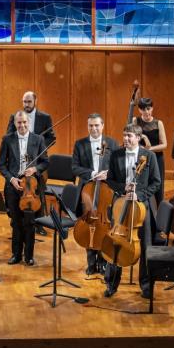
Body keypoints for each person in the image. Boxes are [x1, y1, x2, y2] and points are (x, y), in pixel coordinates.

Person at [103, 123, 161, 299]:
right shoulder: (116, 155)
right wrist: (123, 188)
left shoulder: (149, 156)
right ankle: (111, 284)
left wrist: (139, 195)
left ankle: (146, 285)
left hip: (141, 207)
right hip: (120, 205)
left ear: (138, 137)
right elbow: (110, 180)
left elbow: (156, 182)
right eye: (124, 135)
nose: (126, 139)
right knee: (115, 243)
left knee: (145, 246)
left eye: (129, 136)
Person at [0, 110, 48, 266]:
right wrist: (11, 179)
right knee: (16, 221)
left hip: (31, 187)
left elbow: (45, 162)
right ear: (15, 123)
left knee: (30, 222)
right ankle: (16, 254)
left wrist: (34, 170)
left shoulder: (38, 139)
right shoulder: (7, 139)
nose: (22, 125)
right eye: (19, 122)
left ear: (29, 123)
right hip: (13, 186)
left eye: (25, 122)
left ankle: (29, 256)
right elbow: (1, 164)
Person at [71, 113, 119, 275]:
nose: (94, 128)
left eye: (97, 125)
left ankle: (103, 262)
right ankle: (91, 263)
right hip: (88, 190)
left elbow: (119, 166)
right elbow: (74, 167)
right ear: (88, 126)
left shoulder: (112, 143)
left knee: (105, 225)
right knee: (89, 223)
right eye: (91, 126)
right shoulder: (80, 144)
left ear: (102, 125)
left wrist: (107, 173)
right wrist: (92, 173)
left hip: (107, 190)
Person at [134, 97, 168, 203]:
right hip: (141, 159)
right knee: (142, 185)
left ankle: (159, 217)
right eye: (143, 109)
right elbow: (131, 138)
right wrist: (143, 140)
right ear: (139, 110)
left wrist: (149, 150)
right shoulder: (135, 121)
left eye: (148, 108)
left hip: (156, 158)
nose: (146, 112)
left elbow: (164, 145)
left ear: (152, 108)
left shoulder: (158, 123)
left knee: (158, 187)